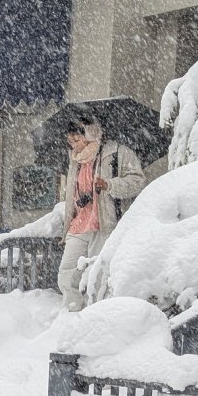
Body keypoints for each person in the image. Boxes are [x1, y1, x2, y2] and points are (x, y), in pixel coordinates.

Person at [57, 118, 145, 311]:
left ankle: (96, 314)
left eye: (76, 140)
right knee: (67, 272)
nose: (73, 145)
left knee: (96, 274)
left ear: (90, 134)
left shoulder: (117, 153)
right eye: (70, 141)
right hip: (79, 223)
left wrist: (110, 185)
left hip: (104, 222)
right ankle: (71, 313)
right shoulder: (75, 161)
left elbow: (138, 181)